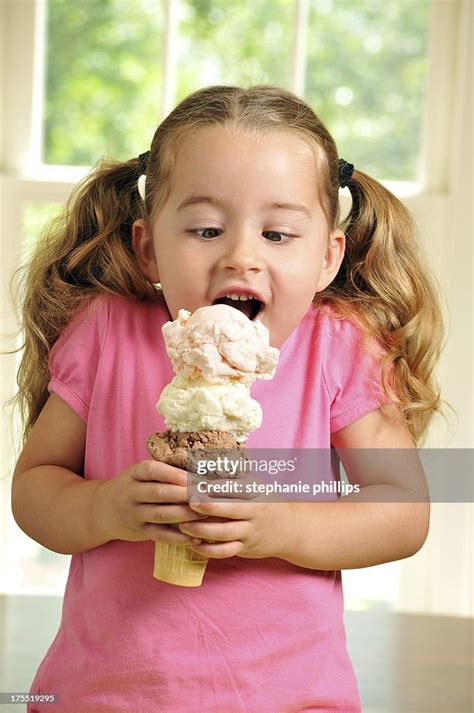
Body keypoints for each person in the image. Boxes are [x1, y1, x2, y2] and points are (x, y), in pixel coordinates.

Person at [11, 85, 447, 712]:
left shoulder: (339, 346)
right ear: (147, 247)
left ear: (328, 257)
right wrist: (105, 507)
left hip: (290, 698)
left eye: (278, 233)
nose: (241, 256)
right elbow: (34, 489)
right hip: (105, 697)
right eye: (207, 228)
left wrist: (278, 524)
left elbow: (404, 511)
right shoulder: (107, 331)